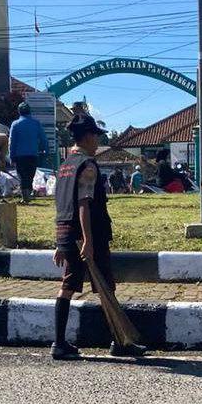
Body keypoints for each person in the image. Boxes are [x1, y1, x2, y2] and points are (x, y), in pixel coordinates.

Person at [50, 114, 148, 360]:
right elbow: (83, 204)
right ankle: (120, 342)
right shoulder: (88, 165)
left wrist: (60, 243)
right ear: (88, 136)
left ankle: (59, 343)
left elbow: (62, 204)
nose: (98, 142)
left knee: (67, 287)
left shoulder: (64, 166)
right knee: (106, 287)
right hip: (89, 236)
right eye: (96, 136)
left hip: (66, 233)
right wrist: (88, 241)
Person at [9, 102, 47, 204]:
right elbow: (43, 138)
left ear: (19, 112)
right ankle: (27, 194)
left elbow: (12, 142)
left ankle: (25, 196)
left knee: (22, 176)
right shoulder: (36, 123)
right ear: (30, 111)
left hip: (19, 155)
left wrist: (11, 156)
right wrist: (45, 150)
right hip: (33, 154)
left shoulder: (15, 124)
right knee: (30, 175)